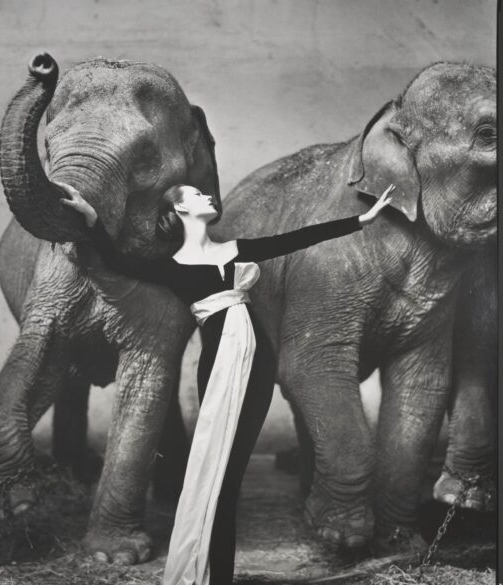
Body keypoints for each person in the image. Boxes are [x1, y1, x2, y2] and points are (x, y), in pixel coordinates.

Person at [57, 181, 393, 585]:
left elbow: (297, 239)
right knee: (222, 479)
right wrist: (91, 218)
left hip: (258, 362)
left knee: (231, 478)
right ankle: (216, 576)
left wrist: (362, 219)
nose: (207, 197)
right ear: (181, 210)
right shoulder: (171, 266)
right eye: (196, 195)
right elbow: (116, 260)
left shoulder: (233, 250)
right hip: (219, 365)